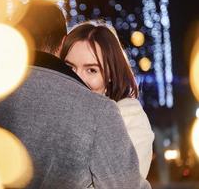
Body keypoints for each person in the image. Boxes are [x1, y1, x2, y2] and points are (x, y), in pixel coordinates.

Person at [0, 0, 151, 189]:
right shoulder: (98, 112)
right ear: (62, 45)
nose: (80, 76)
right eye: (72, 66)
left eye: (91, 69)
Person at [59, 21, 155, 178]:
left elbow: (126, 182)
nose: (78, 79)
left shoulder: (130, 118)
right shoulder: (50, 109)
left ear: (110, 74)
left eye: (91, 70)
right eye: (70, 68)